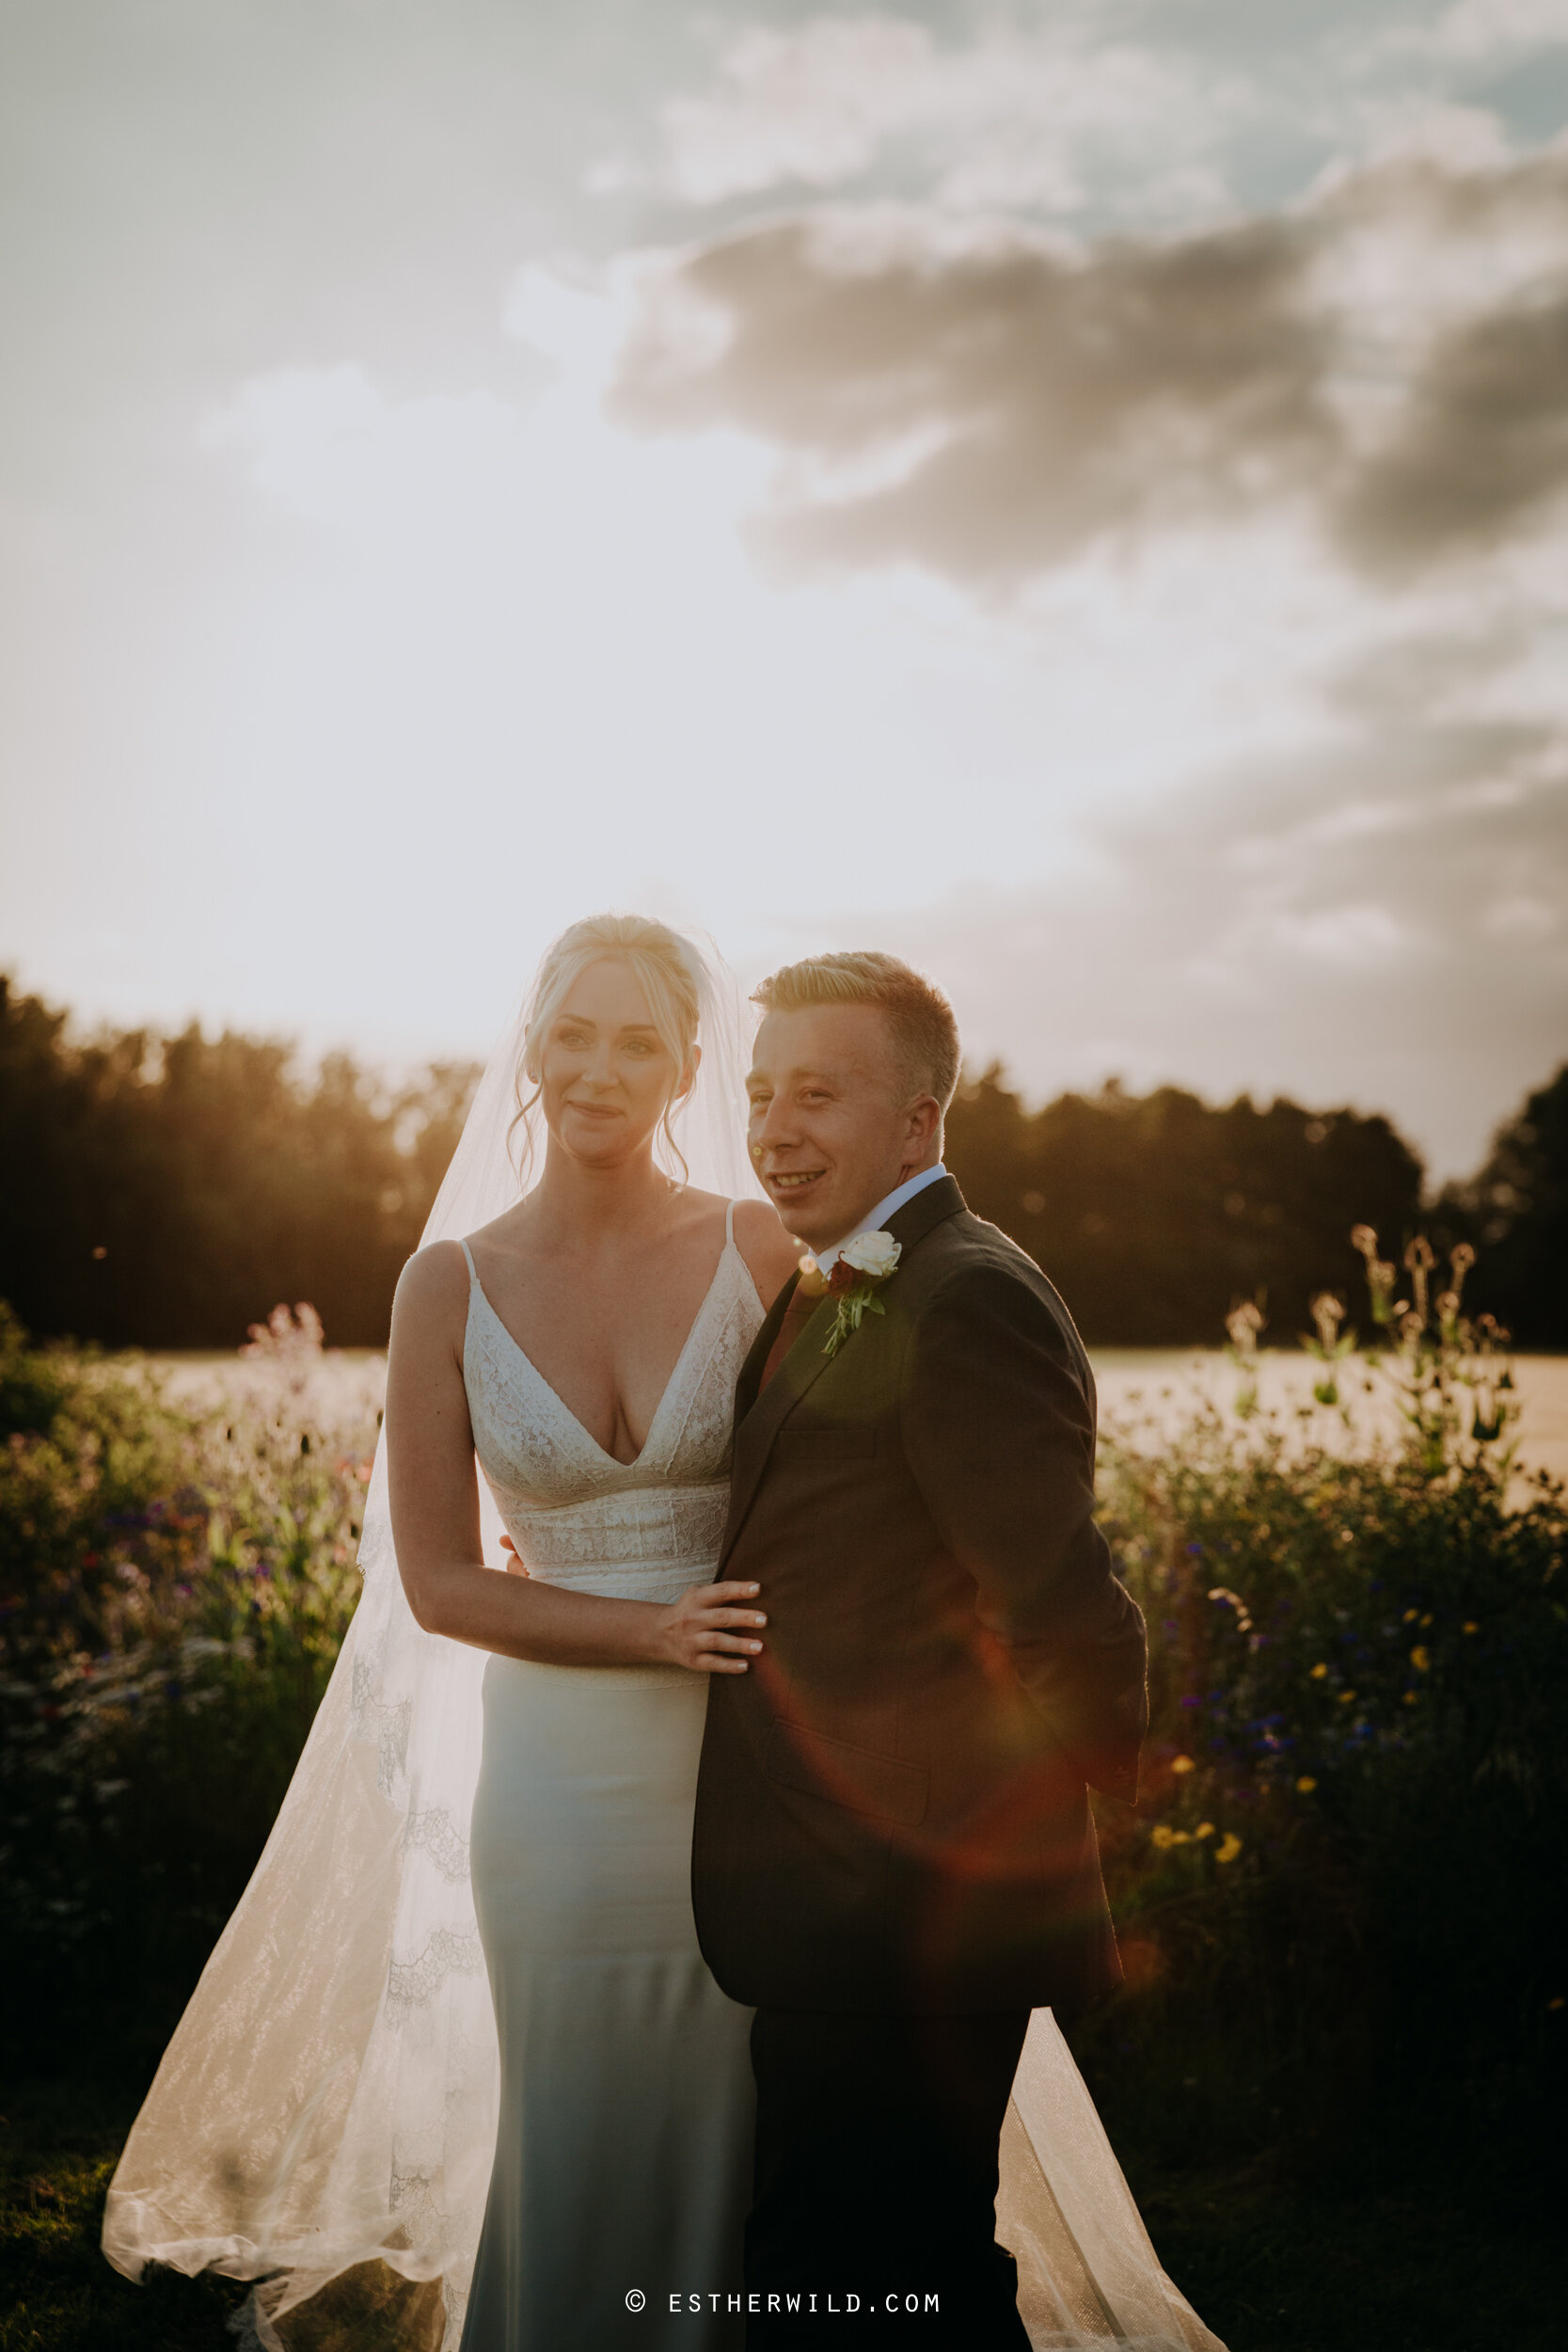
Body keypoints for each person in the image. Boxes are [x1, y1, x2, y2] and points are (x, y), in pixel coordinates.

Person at [692, 950, 1153, 2346]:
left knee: (890, 2274)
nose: (775, 1127)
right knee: (849, 2267)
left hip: (906, 1912)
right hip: (838, 1898)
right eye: (763, 1091)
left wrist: (1009, 1855)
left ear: (919, 1120)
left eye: (817, 1094)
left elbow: (1060, 1596)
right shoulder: (835, 1276)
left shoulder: (965, 1295)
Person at [387, 914, 798, 2349]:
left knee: (733, 2114)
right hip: (553, 1794)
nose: (600, 1069)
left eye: (638, 1042)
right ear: (534, 1047)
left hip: (741, 1769)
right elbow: (442, 1582)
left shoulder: (763, 1247)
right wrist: (648, 1637)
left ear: (690, 1068)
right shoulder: (448, 1285)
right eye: (575, 1034)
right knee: (573, 2117)